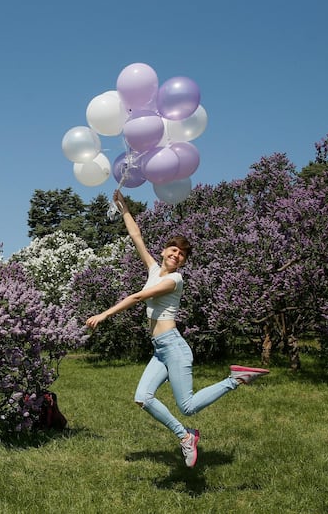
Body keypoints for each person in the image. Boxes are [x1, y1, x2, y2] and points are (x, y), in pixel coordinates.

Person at [85, 190, 269, 468]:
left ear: (183, 262)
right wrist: (123, 207)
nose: (177, 255)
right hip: (160, 349)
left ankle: (236, 379)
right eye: (173, 250)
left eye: (182, 254)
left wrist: (104, 314)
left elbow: (138, 298)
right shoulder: (153, 270)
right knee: (143, 398)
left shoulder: (175, 280)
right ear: (164, 251)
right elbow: (137, 237)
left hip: (173, 347)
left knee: (188, 406)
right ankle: (185, 436)